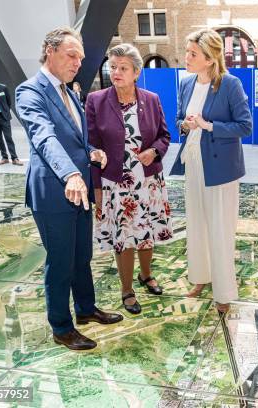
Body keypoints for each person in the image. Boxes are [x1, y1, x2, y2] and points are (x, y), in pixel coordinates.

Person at [16, 27, 123, 351]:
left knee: (82, 255)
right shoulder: (30, 92)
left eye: (81, 57)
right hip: (55, 192)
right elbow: (44, 137)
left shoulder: (69, 92)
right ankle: (61, 327)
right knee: (61, 261)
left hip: (79, 189)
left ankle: (86, 309)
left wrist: (92, 152)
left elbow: (76, 138)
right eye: (71, 54)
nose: (78, 62)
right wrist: (71, 175)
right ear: (50, 51)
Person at [169, 29, 252, 313]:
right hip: (193, 162)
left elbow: (245, 125)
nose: (187, 57)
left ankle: (224, 291)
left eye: (193, 53)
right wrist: (186, 124)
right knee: (197, 224)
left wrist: (208, 125)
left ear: (209, 58)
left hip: (221, 168)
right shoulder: (186, 84)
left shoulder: (230, 85)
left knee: (220, 228)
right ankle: (200, 278)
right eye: (187, 51)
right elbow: (178, 119)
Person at [86, 43, 173, 315]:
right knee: (124, 237)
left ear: (136, 72)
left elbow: (164, 136)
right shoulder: (96, 101)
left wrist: (154, 151)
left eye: (123, 68)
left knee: (146, 232)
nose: (116, 73)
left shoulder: (151, 99)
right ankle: (127, 290)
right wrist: (97, 188)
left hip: (148, 181)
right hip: (115, 184)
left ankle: (146, 275)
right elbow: (91, 145)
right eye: (112, 67)